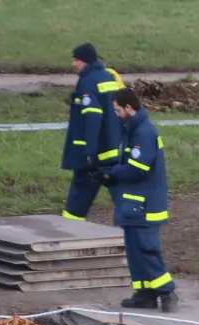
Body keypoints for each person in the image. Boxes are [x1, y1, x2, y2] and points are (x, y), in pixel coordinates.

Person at [92, 88, 178, 311]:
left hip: (145, 206)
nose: (117, 114)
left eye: (118, 110)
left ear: (129, 108)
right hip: (132, 204)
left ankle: (167, 291)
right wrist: (107, 176)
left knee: (146, 249)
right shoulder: (132, 130)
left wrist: (111, 172)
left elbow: (137, 168)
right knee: (134, 252)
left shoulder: (143, 132)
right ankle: (145, 294)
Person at [60, 43, 125, 221]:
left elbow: (92, 117)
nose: (74, 64)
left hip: (95, 152)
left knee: (80, 194)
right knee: (121, 193)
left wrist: (89, 151)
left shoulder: (87, 82)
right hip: (113, 148)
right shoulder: (109, 77)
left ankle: (69, 229)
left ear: (85, 61)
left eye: (76, 60)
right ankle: (134, 229)